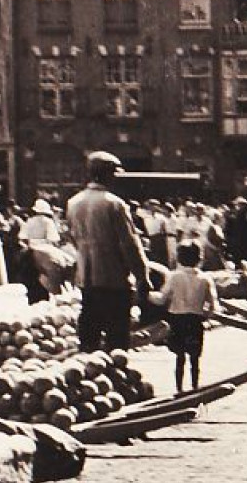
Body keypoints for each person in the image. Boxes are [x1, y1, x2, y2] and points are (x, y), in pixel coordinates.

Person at [66, 151, 150, 351]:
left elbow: (72, 237)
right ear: (107, 174)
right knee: (117, 335)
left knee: (89, 330)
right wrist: (142, 276)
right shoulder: (114, 204)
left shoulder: (73, 202)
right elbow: (129, 244)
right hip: (113, 278)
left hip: (86, 277)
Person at [150, 241, 218, 393]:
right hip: (195, 320)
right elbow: (213, 305)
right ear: (199, 259)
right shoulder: (205, 279)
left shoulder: (174, 277)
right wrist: (205, 317)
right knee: (195, 358)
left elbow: (161, 299)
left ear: (179, 258)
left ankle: (179, 389)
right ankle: (195, 387)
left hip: (177, 319)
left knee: (179, 357)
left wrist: (147, 294)